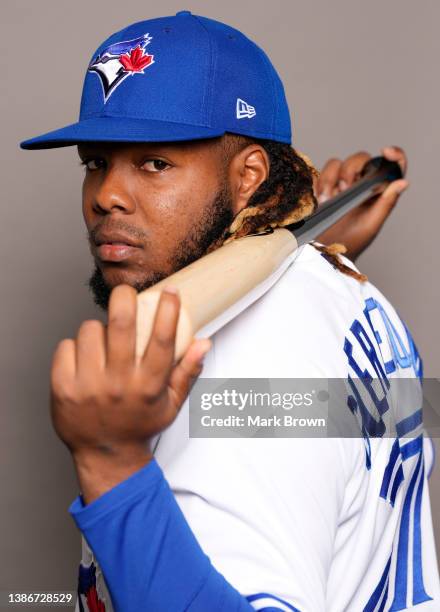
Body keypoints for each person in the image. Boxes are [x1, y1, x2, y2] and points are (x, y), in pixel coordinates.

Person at [21, 11, 439, 612]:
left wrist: (112, 464)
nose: (106, 194)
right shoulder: (337, 287)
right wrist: (300, 264)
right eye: (96, 161)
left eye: (154, 163)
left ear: (248, 178)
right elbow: (410, 411)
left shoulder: (237, 371)